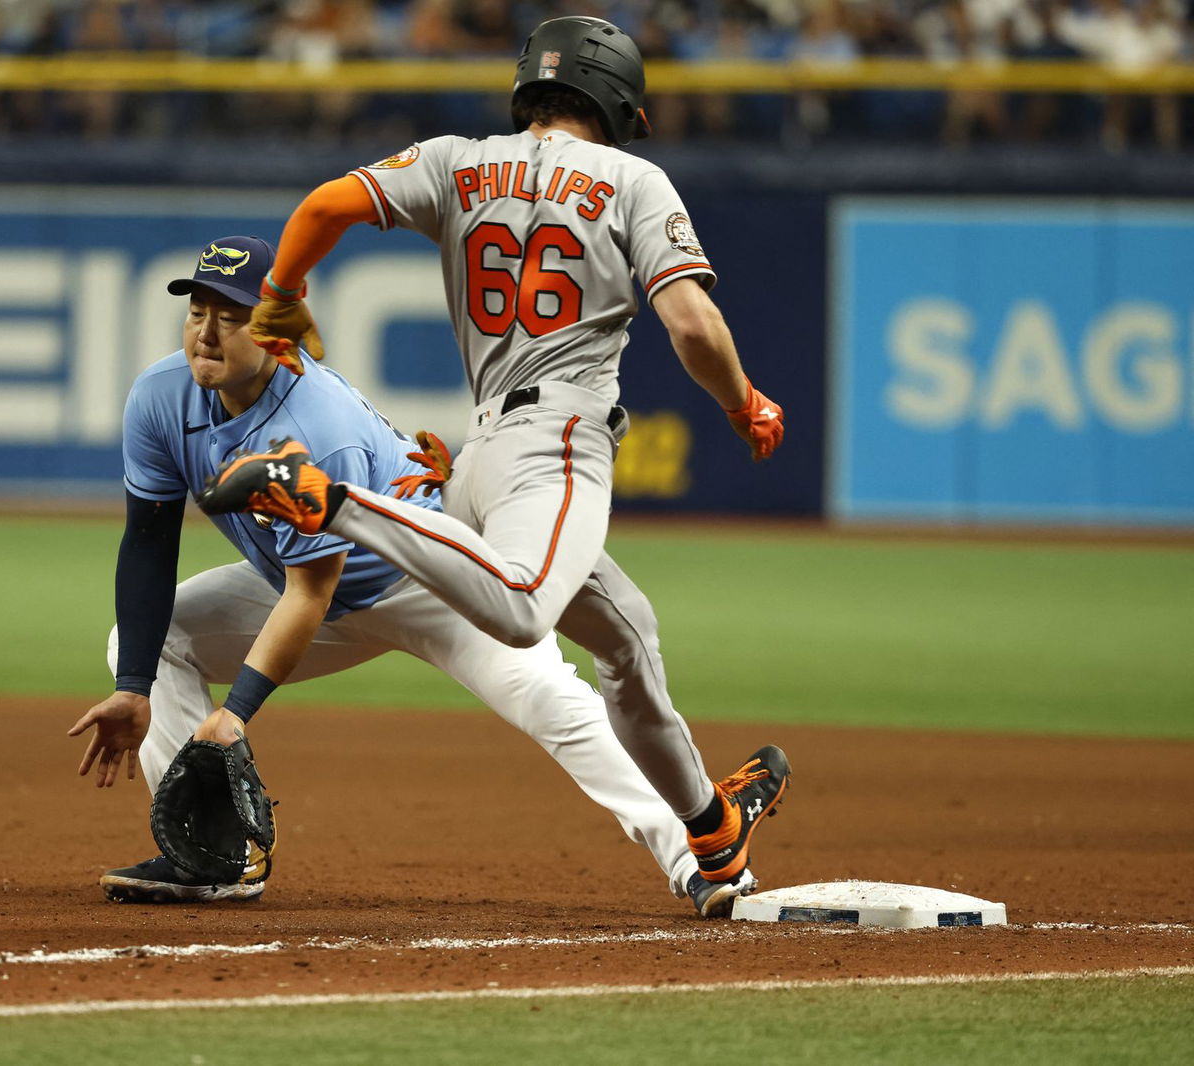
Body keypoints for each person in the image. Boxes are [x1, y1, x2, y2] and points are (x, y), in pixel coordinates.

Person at [195, 16, 790, 912]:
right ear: (620, 101)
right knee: (519, 612)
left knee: (627, 640)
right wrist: (746, 402)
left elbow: (321, 208)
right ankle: (323, 496)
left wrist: (279, 294)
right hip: (552, 448)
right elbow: (695, 327)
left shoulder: (455, 159)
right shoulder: (634, 178)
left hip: (481, 459)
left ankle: (710, 833)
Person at [67, 234, 732, 914]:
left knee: (551, 703)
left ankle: (700, 856)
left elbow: (311, 591)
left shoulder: (316, 425)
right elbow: (149, 542)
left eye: (231, 315)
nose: (207, 333)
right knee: (145, 643)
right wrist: (132, 688)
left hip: (429, 582)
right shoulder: (159, 398)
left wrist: (234, 714)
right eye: (197, 309)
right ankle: (212, 855)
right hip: (312, 594)